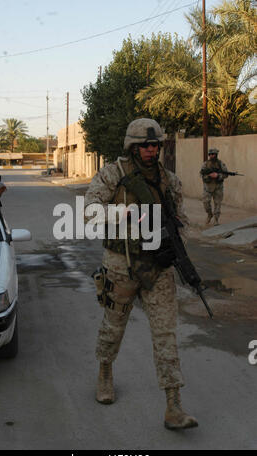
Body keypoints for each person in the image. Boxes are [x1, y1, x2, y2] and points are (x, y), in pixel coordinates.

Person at [84, 118, 198, 430]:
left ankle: (173, 405)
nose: (151, 150)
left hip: (158, 269)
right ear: (132, 146)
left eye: (155, 145)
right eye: (144, 145)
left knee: (166, 335)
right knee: (113, 327)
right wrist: (125, 213)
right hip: (121, 266)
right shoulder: (112, 174)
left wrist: (176, 247)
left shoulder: (170, 181)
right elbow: (90, 212)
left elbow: (182, 221)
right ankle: (105, 373)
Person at [200, 148, 228, 226]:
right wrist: (209, 175)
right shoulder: (205, 164)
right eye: (211, 154)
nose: (212, 156)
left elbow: (226, 174)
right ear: (209, 155)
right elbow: (201, 174)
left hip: (218, 187)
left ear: (216, 155)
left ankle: (216, 219)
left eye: (214, 154)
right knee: (206, 203)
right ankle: (209, 214)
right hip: (208, 188)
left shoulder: (220, 164)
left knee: (217, 203)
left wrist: (218, 175)